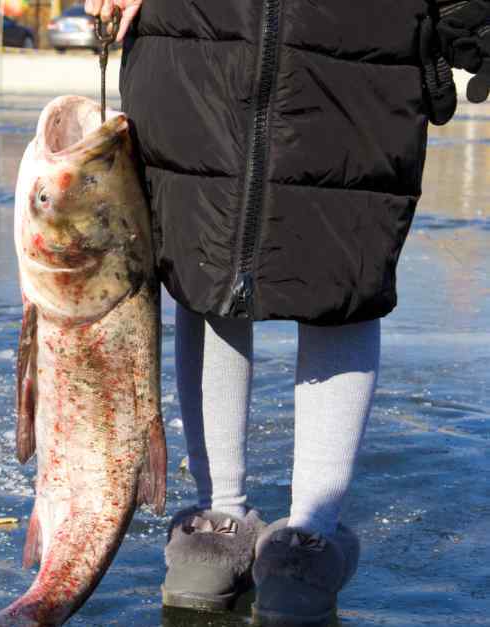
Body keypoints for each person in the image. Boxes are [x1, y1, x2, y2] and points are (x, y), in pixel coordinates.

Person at [82, 0, 489, 623]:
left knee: (340, 278)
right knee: (205, 267)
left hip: (357, 50)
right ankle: (218, 517)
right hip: (200, 37)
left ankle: (309, 539)